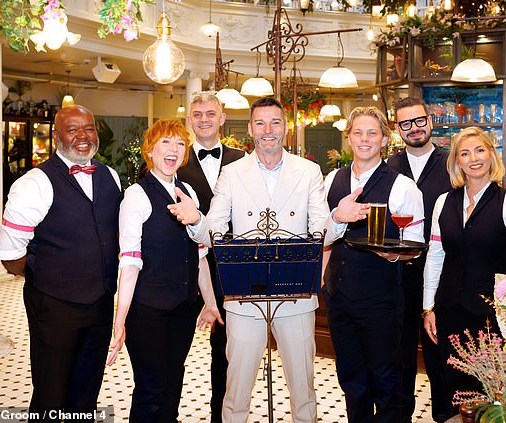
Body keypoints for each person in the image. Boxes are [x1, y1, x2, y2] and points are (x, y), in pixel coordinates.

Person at [168, 96, 367, 423]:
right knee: (236, 389)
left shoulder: (308, 171)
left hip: (296, 294)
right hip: (244, 295)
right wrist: (196, 221)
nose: (268, 130)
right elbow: (214, 230)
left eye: (275, 122)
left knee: (303, 389)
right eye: (260, 123)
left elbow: (321, 231)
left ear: (286, 128)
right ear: (250, 129)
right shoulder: (232, 173)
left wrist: (337, 218)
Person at [0, 105, 122, 421]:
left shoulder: (110, 176)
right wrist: (45, 275)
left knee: (87, 388)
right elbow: (10, 254)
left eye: (89, 128)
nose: (83, 136)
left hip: (101, 301)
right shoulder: (35, 182)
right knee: (51, 390)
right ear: (56, 136)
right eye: (72, 129)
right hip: (54, 305)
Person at [106, 119, 223, 422]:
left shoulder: (188, 192)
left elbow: (199, 256)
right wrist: (120, 321)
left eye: (180, 143)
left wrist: (210, 303)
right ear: (150, 150)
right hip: (148, 311)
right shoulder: (136, 195)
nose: (174, 149)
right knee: (150, 389)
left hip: (183, 308)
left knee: (173, 383)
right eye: (165, 142)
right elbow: (130, 263)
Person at [322, 106, 425, 423]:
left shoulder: (403, 186)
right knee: (351, 380)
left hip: (381, 299)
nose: (364, 139)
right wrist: (337, 218)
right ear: (349, 138)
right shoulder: (332, 180)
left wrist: (394, 255)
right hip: (339, 298)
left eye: (372, 133)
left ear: (384, 139)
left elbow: (415, 243)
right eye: (358, 133)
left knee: (386, 380)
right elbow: (319, 234)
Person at [422, 126, 506, 411]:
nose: (473, 158)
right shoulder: (443, 202)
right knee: (453, 390)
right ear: (457, 162)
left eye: (479, 150)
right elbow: (435, 257)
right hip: (448, 310)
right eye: (464, 153)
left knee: (489, 394)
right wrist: (428, 308)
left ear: (491, 155)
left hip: (491, 316)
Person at [176, 92, 245, 423]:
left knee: (227, 351)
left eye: (210, 113)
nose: (204, 119)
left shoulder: (243, 159)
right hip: (186, 268)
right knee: (175, 348)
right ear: (190, 120)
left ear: (222, 118)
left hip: (231, 270)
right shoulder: (175, 158)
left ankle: (222, 417)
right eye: (197, 114)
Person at [388, 97, 453, 422]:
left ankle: (445, 415)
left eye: (419, 120)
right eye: (406, 123)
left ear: (430, 120)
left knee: (439, 350)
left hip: (440, 274)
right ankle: (401, 416)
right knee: (399, 353)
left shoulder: (451, 163)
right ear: (396, 128)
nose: (414, 128)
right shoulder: (388, 167)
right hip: (398, 273)